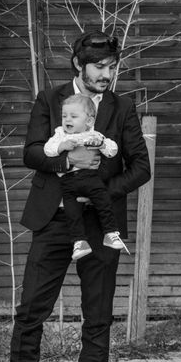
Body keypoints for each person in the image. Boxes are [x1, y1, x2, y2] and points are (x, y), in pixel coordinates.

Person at [0, 30, 151, 362]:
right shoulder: (49, 98)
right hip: (53, 219)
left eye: (112, 67)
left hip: (99, 223)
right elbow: (30, 153)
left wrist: (99, 193)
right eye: (99, 67)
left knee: (98, 312)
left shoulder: (122, 107)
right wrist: (66, 164)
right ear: (79, 64)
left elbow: (140, 168)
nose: (106, 75)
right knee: (30, 311)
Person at [44, 93, 129, 260]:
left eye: (73, 116)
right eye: (64, 116)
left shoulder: (94, 135)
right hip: (68, 182)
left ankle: (110, 233)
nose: (67, 119)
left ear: (89, 121)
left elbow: (113, 150)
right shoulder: (60, 134)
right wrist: (62, 146)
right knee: (72, 212)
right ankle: (79, 242)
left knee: (103, 202)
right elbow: (48, 149)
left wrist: (102, 144)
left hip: (90, 178)